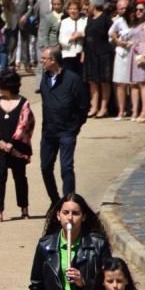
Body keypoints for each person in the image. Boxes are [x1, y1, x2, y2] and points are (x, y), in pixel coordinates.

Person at [37, 47, 89, 204]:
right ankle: (55, 202)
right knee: (46, 168)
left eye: (44, 58)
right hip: (48, 132)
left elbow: (84, 106)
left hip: (67, 132)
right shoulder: (45, 78)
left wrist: (75, 126)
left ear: (53, 60)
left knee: (66, 168)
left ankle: (69, 202)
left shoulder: (73, 79)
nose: (42, 61)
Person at [0, 70, 34, 222]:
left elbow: (24, 124)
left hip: (18, 147)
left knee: (20, 177)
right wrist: (0, 141)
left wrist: (11, 143)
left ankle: (24, 208)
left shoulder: (24, 103)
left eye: (2, 85)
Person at [127, 0, 145, 122]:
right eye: (137, 10)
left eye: (141, 10)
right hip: (135, 53)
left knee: (144, 83)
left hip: (144, 54)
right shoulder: (138, 23)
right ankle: (136, 111)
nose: (138, 12)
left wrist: (144, 55)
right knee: (135, 83)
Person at [83, 0, 113, 118]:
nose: (87, 7)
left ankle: (103, 107)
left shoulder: (106, 18)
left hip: (103, 54)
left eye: (89, 5)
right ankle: (94, 107)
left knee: (104, 82)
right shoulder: (90, 18)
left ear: (94, 6)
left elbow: (111, 35)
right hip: (90, 54)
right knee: (93, 81)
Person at [57, 0, 85, 77]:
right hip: (68, 53)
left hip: (81, 54)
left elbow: (88, 33)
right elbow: (61, 38)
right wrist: (72, 38)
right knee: (69, 77)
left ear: (79, 10)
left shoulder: (84, 20)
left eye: (75, 9)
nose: (73, 11)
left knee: (81, 78)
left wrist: (81, 35)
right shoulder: (64, 22)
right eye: (71, 9)